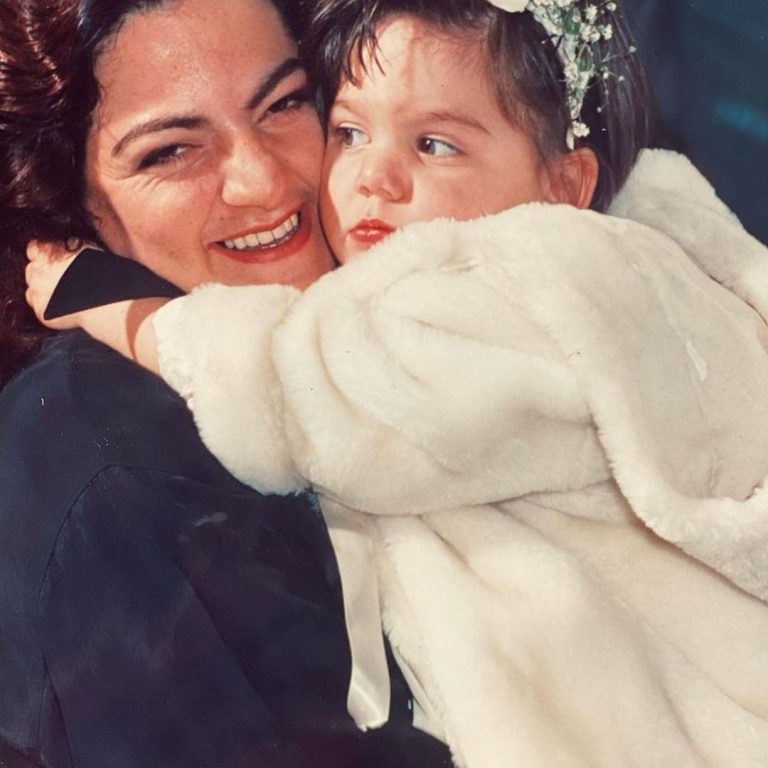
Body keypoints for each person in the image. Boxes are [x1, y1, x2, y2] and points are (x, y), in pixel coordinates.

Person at [26, 0, 768, 766]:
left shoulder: (522, 290)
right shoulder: (103, 483)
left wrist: (126, 313)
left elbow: (307, 398)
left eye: (436, 144)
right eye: (351, 132)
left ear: (563, 184)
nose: (373, 178)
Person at [0, 0, 457, 766]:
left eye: (283, 105)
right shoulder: (121, 477)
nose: (265, 180)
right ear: (68, 205)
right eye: (171, 151)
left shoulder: (363, 345)